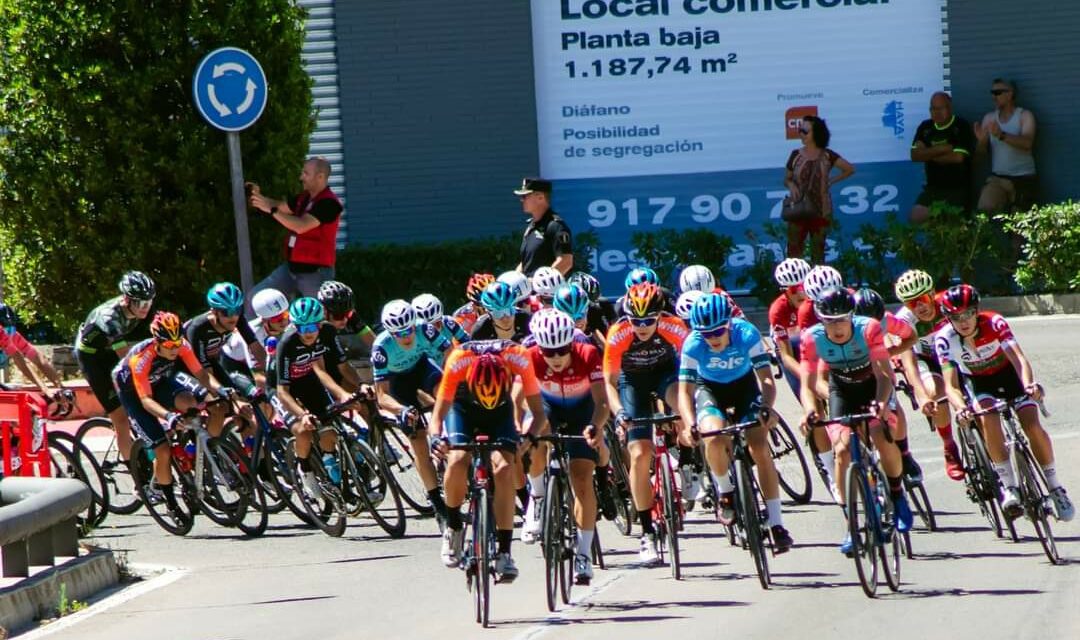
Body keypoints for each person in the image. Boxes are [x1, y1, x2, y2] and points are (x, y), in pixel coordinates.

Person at [935, 284, 1073, 522]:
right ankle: (1009, 486)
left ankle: (1055, 487)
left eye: (968, 313)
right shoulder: (944, 339)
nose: (964, 321)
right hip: (979, 383)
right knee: (987, 419)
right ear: (948, 319)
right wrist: (961, 408)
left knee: (1032, 426)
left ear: (976, 311)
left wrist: (1029, 385)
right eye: (956, 317)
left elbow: (1018, 359)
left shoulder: (994, 322)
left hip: (1010, 377)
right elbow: (951, 385)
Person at [799, 287, 913, 553]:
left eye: (842, 319)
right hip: (841, 389)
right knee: (841, 451)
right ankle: (852, 524)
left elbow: (885, 375)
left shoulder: (868, 328)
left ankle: (897, 495)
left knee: (880, 436)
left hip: (873, 385)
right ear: (820, 319)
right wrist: (809, 410)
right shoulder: (811, 339)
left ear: (852, 315)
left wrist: (882, 404)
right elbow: (810, 383)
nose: (836, 327)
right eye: (829, 321)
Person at [677, 293, 794, 552]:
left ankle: (776, 523)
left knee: (759, 448)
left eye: (718, 330)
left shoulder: (747, 333)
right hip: (710, 389)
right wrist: (689, 424)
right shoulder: (693, 344)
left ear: (729, 324)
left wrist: (766, 408)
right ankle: (726, 492)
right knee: (712, 435)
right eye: (706, 333)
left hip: (745, 388)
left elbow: (765, 379)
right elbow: (684, 392)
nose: (713, 338)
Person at [432, 340, 547, 582]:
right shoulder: (457, 360)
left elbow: (539, 413)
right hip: (462, 410)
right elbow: (439, 413)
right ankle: (453, 526)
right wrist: (435, 439)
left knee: (505, 468)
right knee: (457, 459)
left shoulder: (519, 357)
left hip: (500, 414)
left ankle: (504, 552)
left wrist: (529, 437)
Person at [113, 311, 244, 512]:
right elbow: (146, 400)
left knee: (193, 403)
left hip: (160, 380)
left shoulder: (181, 344)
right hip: (134, 392)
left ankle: (197, 452)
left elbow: (200, 374)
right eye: (169, 346)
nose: (175, 349)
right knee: (162, 450)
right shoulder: (141, 359)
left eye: (177, 344)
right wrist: (169, 416)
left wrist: (220, 389)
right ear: (157, 342)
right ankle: (171, 505)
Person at [603, 282, 691, 564]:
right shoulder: (618, 334)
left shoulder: (674, 327)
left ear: (660, 315)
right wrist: (619, 414)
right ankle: (647, 532)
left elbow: (693, 372)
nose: (641, 326)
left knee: (682, 405)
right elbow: (609, 382)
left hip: (667, 374)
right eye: (635, 320)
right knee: (640, 455)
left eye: (648, 321)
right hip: (633, 382)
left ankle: (689, 463)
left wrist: (688, 417)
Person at [525, 309, 610, 584]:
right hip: (547, 407)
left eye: (562, 350)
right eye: (549, 352)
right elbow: (518, 400)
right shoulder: (528, 355)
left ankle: (583, 554)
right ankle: (538, 499)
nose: (557, 358)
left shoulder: (587, 353)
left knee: (582, 478)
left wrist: (595, 427)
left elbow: (602, 402)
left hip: (582, 411)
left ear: (571, 344)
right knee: (536, 441)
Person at [371, 300, 452, 522]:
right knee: (417, 438)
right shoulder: (381, 347)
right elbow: (382, 396)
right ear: (390, 332)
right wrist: (402, 410)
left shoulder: (424, 328)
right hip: (398, 383)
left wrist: (452, 375)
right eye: (399, 333)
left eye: (408, 330)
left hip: (421, 368)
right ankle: (437, 502)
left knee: (445, 393)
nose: (405, 336)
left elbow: (450, 350)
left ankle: (449, 436)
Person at [271, 298, 357, 499]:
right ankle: (305, 470)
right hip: (281, 388)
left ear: (320, 323)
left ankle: (329, 466)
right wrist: (302, 415)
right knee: (303, 430)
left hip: (307, 380)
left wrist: (344, 394)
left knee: (329, 428)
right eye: (301, 327)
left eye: (311, 326)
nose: (307, 332)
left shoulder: (327, 332)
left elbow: (323, 372)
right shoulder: (287, 342)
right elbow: (282, 391)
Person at [75, 271, 156, 463]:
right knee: (120, 417)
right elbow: (126, 357)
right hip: (92, 359)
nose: (146, 308)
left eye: (149, 303)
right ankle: (136, 476)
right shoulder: (109, 317)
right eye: (142, 304)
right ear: (127, 300)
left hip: (109, 351)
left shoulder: (141, 307)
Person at [892, 270, 965, 480]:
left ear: (932, 293)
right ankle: (949, 446)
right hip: (926, 359)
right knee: (936, 391)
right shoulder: (904, 321)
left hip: (953, 353)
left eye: (923, 299)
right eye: (912, 303)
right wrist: (921, 394)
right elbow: (910, 365)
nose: (920, 307)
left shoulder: (948, 304)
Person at [247, 157, 343, 311]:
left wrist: (271, 211)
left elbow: (301, 226)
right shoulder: (304, 198)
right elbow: (280, 206)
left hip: (315, 272)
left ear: (320, 176)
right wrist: (259, 198)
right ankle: (256, 335)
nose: (301, 177)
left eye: (306, 173)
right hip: (291, 268)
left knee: (319, 315)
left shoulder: (329, 203)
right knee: (255, 299)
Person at [783, 115, 856, 263]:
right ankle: (794, 284)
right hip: (798, 209)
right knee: (794, 252)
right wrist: (791, 185)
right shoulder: (795, 155)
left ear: (816, 133)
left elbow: (849, 169)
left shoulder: (828, 155)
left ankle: (816, 284)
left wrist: (831, 181)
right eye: (799, 130)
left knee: (818, 252)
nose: (801, 134)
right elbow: (787, 178)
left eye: (805, 131)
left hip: (821, 210)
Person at [974, 79, 1038, 215]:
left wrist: (1001, 135)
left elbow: (1027, 143)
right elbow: (981, 155)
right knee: (984, 210)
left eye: (997, 93)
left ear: (1010, 94)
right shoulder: (989, 118)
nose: (993, 97)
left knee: (1020, 229)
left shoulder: (1024, 115)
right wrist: (981, 142)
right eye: (992, 93)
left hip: (1023, 178)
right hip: (998, 178)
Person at [909, 92, 976, 223]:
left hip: (957, 189)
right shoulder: (925, 127)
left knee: (953, 227)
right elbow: (915, 155)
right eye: (933, 109)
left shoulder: (960, 126)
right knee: (916, 216)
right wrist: (943, 148)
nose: (936, 113)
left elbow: (958, 157)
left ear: (949, 107)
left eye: (940, 108)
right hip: (933, 188)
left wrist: (928, 153)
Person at [514, 177, 573, 277]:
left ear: (540, 197)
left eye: (525, 196)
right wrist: (513, 280)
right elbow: (525, 263)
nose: (521, 200)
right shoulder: (531, 226)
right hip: (527, 291)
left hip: (547, 291)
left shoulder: (556, 226)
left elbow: (566, 261)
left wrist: (540, 283)